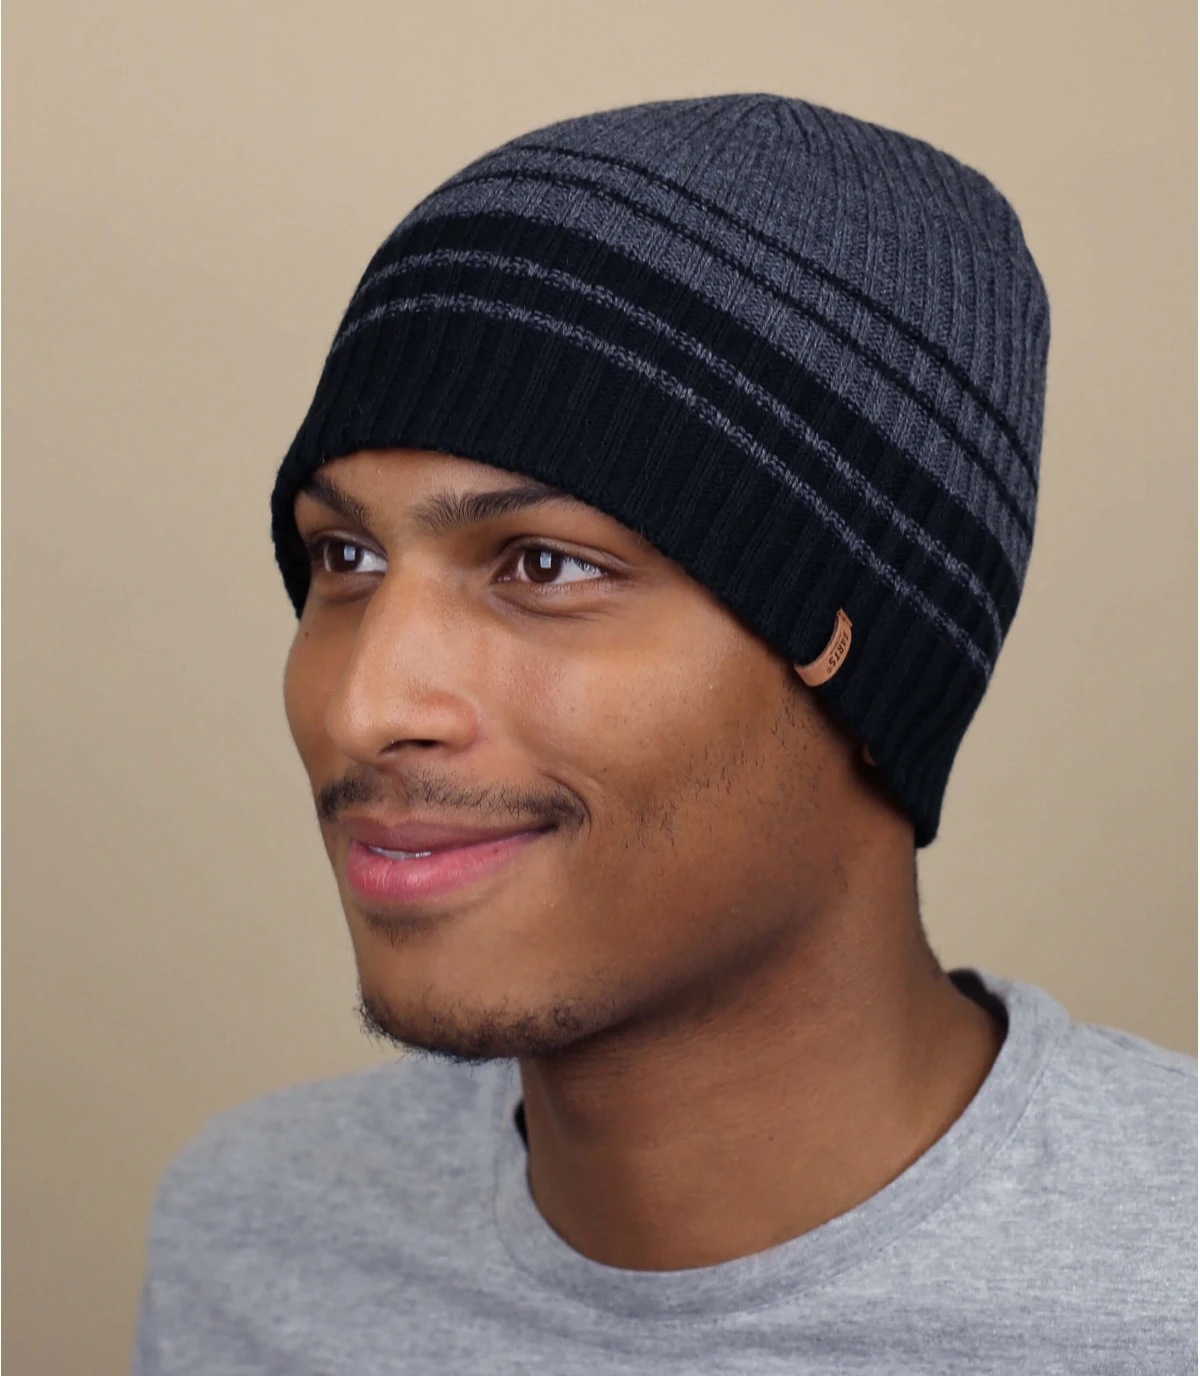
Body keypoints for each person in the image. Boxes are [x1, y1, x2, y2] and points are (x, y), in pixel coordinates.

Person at [130, 95, 1196, 1374]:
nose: (364, 707)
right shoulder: (256, 1236)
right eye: (344, 556)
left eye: (544, 565)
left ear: (866, 660)